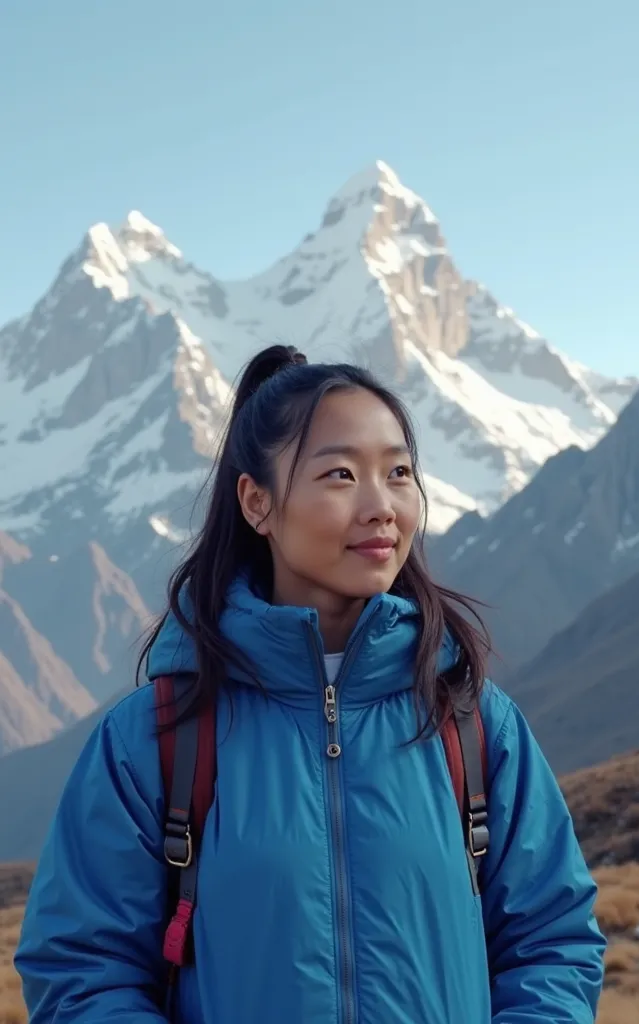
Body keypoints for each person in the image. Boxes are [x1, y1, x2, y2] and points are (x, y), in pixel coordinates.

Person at [15, 344, 606, 1023]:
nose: (381, 506)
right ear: (257, 502)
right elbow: (81, 971)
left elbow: (553, 945)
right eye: (342, 475)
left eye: (400, 473)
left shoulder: (471, 723)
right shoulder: (156, 739)